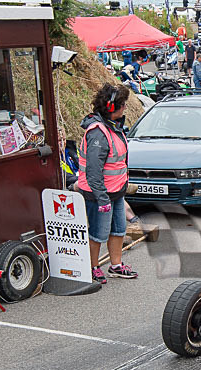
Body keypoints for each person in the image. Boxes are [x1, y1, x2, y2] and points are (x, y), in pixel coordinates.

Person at [77, 83, 137, 282]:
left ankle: (116, 265)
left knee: (119, 229)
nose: (125, 108)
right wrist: (102, 199)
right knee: (97, 233)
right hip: (99, 194)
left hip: (116, 191)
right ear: (113, 107)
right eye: (123, 105)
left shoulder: (112, 127)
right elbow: (94, 172)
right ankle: (93, 267)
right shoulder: (98, 133)